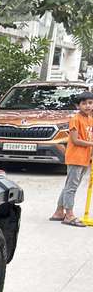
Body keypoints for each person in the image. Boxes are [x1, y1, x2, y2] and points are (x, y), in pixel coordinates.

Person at [51, 90, 93, 226]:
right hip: (75, 157)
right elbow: (75, 140)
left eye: (90, 103)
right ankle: (69, 215)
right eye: (84, 103)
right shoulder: (75, 119)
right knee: (72, 187)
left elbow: (89, 137)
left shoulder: (90, 119)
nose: (88, 106)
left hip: (85, 158)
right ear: (78, 106)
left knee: (70, 185)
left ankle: (58, 212)